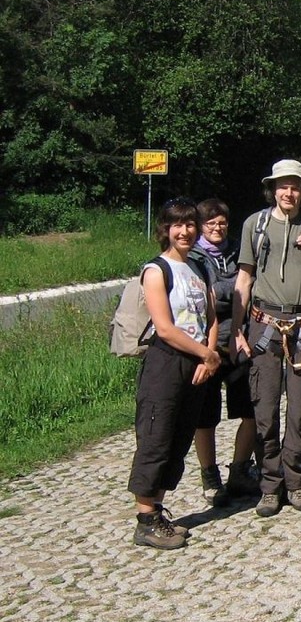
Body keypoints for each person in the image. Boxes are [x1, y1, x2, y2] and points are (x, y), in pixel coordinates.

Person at [232, 159, 301, 517]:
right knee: (264, 409)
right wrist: (235, 331)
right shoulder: (255, 225)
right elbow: (243, 280)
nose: (289, 192)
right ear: (273, 189)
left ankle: (295, 483)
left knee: (300, 409)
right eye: (283, 186)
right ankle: (269, 486)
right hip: (264, 324)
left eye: (295, 186)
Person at [128, 197, 220, 549]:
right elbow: (164, 328)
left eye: (190, 224)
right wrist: (207, 356)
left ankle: (157, 510)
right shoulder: (156, 270)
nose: (185, 231)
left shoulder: (198, 268)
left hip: (197, 362)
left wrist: (207, 356)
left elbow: (210, 317)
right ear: (165, 229)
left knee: (180, 438)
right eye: (177, 225)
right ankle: (145, 520)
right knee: (156, 437)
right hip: (167, 362)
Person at [189, 198, 260, 506]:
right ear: (201, 226)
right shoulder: (192, 256)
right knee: (205, 417)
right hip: (205, 345)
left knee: (253, 408)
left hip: (239, 338)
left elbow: (246, 287)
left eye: (222, 223)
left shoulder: (237, 251)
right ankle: (209, 475)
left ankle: (240, 470)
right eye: (211, 223)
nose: (217, 228)